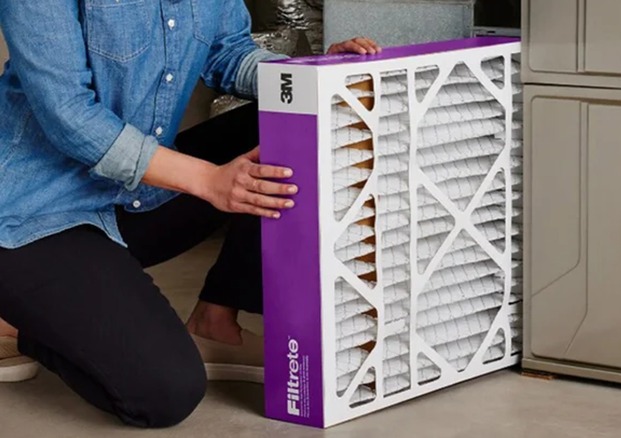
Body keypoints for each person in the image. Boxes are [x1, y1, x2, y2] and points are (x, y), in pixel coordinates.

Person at [0, 1, 380, 428]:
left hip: (130, 195)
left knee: (293, 122)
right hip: (33, 212)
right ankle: (16, 322)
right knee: (165, 392)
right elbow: (68, 114)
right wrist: (209, 180)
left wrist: (311, 76)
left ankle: (215, 321)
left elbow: (228, 52)